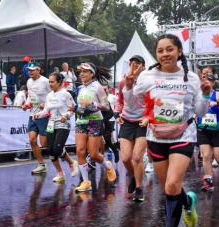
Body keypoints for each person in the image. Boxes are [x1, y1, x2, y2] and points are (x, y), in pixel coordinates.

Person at [133, 34, 210, 227]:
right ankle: (187, 201)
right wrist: (128, 86)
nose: (165, 54)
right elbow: (136, 103)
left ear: (179, 51)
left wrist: (207, 94)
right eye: (160, 50)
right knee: (171, 187)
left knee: (171, 185)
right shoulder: (146, 77)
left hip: (183, 136)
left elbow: (200, 112)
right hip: (156, 137)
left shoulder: (191, 78)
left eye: (170, 49)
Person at [73, 62, 117, 193]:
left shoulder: (98, 87)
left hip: (95, 121)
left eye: (85, 72)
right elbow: (79, 105)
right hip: (81, 121)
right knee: (80, 151)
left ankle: (108, 166)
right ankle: (86, 182)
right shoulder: (80, 88)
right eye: (80, 72)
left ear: (92, 74)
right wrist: (76, 109)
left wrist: (95, 105)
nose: (81, 74)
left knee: (93, 154)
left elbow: (106, 106)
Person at [33, 72, 79, 183]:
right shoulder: (49, 95)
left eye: (52, 82)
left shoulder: (66, 94)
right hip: (51, 124)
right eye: (49, 81)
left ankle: (72, 163)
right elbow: (46, 111)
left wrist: (66, 115)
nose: (50, 84)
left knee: (57, 150)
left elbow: (72, 109)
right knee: (51, 151)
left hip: (63, 124)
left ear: (59, 82)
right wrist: (38, 115)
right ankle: (60, 174)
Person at [114, 55, 147, 201]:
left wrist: (149, 118)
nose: (134, 66)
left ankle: (139, 188)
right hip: (127, 121)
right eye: (132, 63)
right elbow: (119, 102)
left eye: (138, 64)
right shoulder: (123, 83)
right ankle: (133, 176)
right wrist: (117, 114)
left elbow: (153, 103)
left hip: (142, 122)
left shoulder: (148, 83)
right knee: (126, 158)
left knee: (137, 157)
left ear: (143, 67)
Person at [197, 72, 219, 192]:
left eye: (208, 81)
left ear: (213, 83)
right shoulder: (198, 94)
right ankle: (209, 182)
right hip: (203, 129)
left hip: (217, 130)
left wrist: (217, 103)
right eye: (203, 80)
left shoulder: (218, 94)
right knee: (206, 156)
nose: (205, 82)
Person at [22, 62, 50, 174]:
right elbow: (30, 96)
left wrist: (46, 104)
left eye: (33, 70)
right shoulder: (28, 81)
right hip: (33, 115)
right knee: (32, 140)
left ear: (39, 70)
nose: (30, 72)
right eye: (29, 70)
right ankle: (41, 164)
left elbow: (54, 94)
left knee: (45, 144)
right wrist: (26, 104)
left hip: (44, 115)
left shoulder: (46, 81)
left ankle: (63, 155)